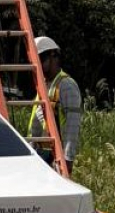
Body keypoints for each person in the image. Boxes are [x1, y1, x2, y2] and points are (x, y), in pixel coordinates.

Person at [28, 36, 83, 174]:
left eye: (40, 59)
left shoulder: (66, 85)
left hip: (55, 156)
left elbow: (72, 125)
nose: (37, 64)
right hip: (38, 153)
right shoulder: (43, 85)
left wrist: (67, 159)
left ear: (53, 56)